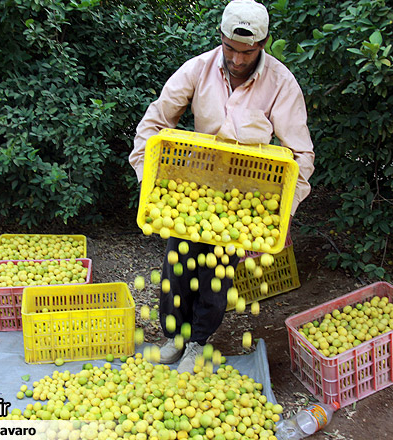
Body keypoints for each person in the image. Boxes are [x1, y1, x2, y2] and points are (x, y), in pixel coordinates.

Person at [129, 0, 315, 374]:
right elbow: (153, 125)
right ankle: (173, 338)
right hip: (193, 187)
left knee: (215, 276)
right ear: (221, 38)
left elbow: (301, 155)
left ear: (262, 45)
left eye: (247, 52)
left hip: (244, 200)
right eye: (230, 49)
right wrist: (146, 182)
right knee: (177, 267)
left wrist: (282, 216)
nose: (237, 59)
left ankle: (198, 343)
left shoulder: (281, 83)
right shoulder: (197, 69)